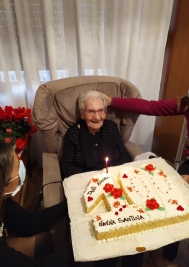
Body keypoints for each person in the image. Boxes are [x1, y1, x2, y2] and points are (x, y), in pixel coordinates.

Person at [99, 92, 189, 263]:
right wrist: (112, 100)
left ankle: (169, 259)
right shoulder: (185, 103)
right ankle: (167, 253)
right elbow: (151, 106)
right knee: (173, 204)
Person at [61, 91, 144, 267]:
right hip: (87, 186)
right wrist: (95, 176)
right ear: (82, 114)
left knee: (131, 225)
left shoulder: (112, 128)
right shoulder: (73, 134)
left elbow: (125, 157)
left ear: (106, 112)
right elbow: (67, 167)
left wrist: (109, 175)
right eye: (91, 111)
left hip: (113, 182)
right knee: (103, 231)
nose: (97, 116)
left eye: (101, 110)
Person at [0, 140, 70, 267]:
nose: (21, 166)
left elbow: (28, 222)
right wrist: (79, 250)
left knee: (44, 239)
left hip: (1, 245)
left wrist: (69, 205)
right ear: (6, 184)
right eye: (17, 167)